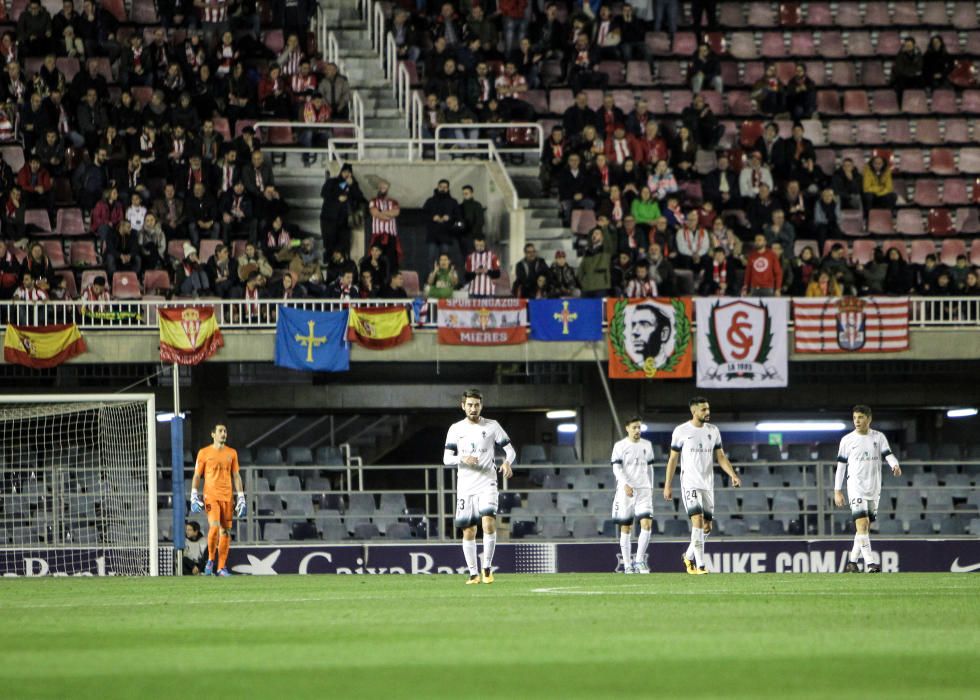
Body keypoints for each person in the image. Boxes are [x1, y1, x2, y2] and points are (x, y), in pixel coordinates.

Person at [443, 388, 516, 585]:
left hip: (487, 482)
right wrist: (463, 458)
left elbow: (510, 450)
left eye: (476, 405)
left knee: (488, 523)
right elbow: (446, 458)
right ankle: (473, 574)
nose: (473, 408)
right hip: (466, 486)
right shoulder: (455, 429)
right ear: (463, 406)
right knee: (469, 531)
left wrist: (507, 462)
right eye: (469, 405)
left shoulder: (492, 426)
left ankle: (487, 568)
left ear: (481, 406)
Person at [663, 397, 741, 575]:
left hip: (707, 484)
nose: (707, 412)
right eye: (704, 410)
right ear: (694, 411)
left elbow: (720, 456)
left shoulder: (713, 431)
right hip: (689, 483)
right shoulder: (681, 431)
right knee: (697, 521)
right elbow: (673, 459)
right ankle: (700, 566)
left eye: (708, 409)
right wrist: (668, 485)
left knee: (707, 527)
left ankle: (688, 556)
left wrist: (733, 474)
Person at [834, 405, 902, 573]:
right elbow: (841, 467)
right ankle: (871, 563)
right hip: (855, 487)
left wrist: (895, 465)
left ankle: (852, 562)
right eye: (855, 417)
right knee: (862, 524)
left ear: (869, 419)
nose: (857, 421)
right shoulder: (847, 440)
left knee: (864, 528)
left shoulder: (878, 437)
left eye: (861, 417)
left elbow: (888, 455)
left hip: (874, 488)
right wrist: (837, 490)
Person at [189, 423, 245, 577]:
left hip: (227, 496)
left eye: (225, 431)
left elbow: (236, 475)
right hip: (211, 495)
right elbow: (196, 475)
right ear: (213, 434)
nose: (223, 433)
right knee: (214, 527)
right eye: (220, 431)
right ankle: (210, 560)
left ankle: (221, 568)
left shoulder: (232, 453)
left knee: (225, 532)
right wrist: (194, 494)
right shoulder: (204, 452)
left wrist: (241, 496)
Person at [611, 415, 656, 574]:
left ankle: (639, 561)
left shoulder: (647, 445)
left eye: (639, 427)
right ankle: (628, 564)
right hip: (626, 492)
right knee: (626, 527)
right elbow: (617, 468)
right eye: (634, 427)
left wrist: (651, 487)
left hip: (643, 490)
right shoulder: (620, 446)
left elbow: (650, 468)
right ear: (627, 428)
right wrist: (625, 484)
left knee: (647, 525)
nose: (637, 430)